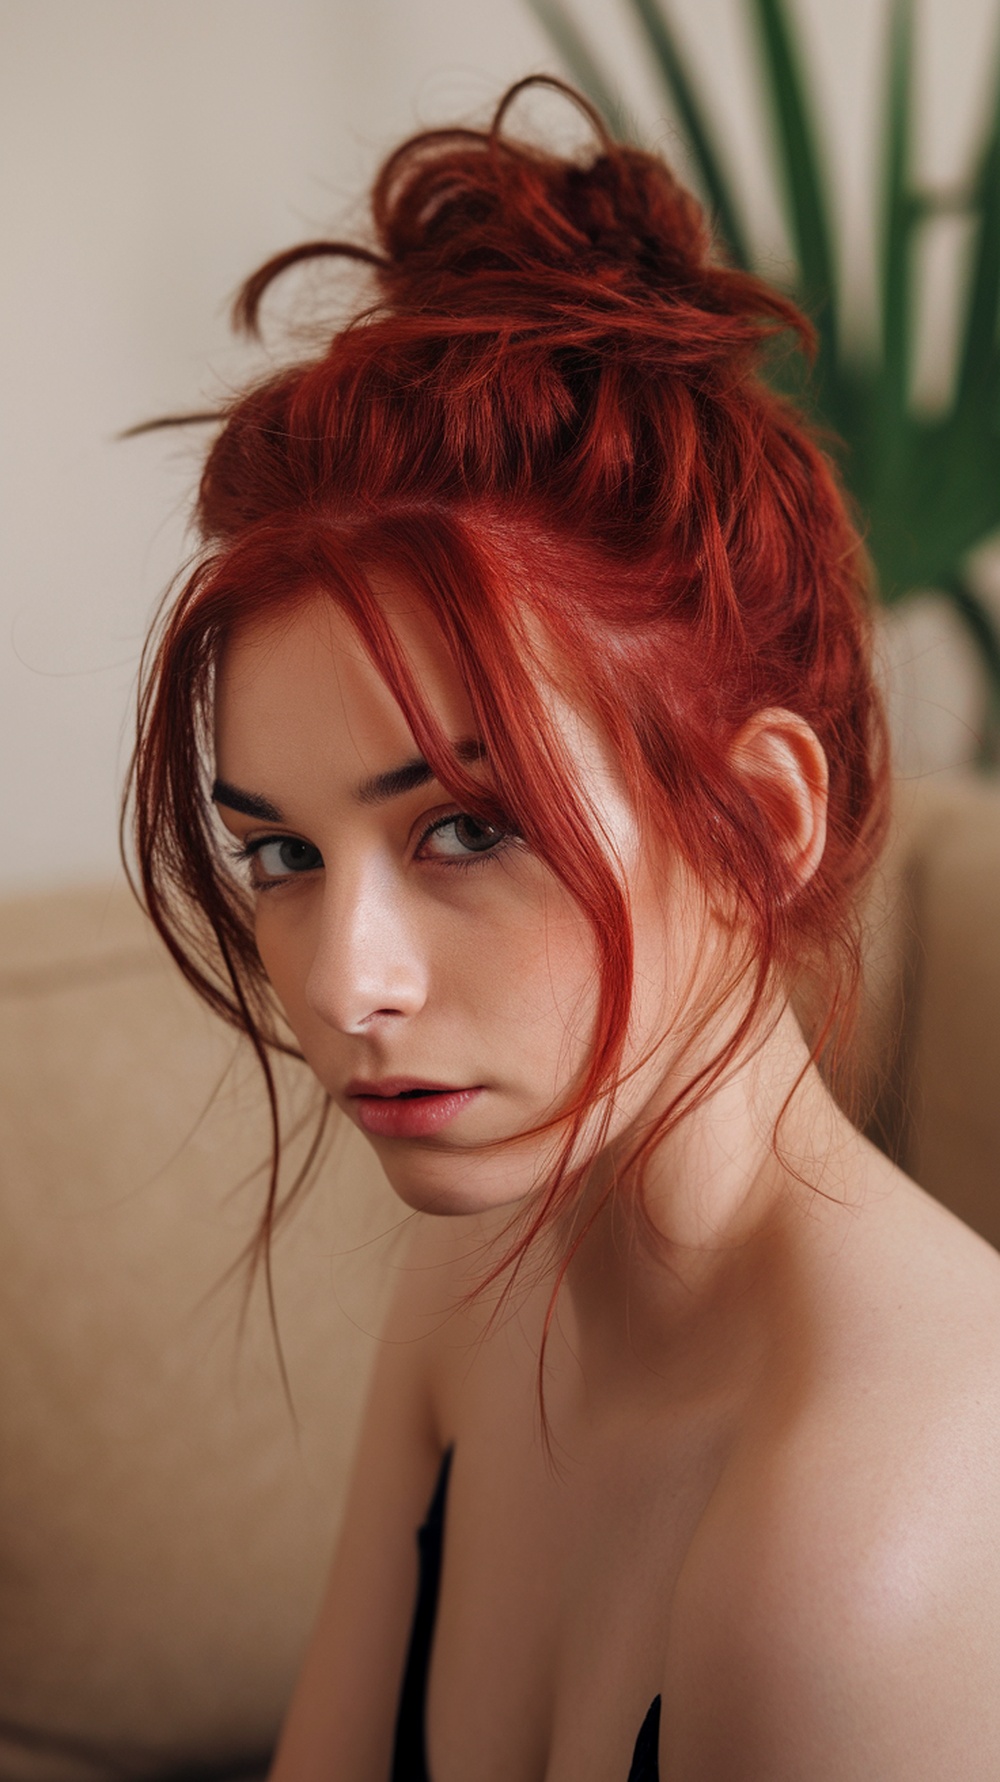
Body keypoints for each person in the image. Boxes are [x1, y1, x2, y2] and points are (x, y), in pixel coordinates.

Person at [126, 77, 1000, 1781]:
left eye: (465, 826)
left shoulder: (883, 1525)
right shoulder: (480, 1280)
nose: (342, 983)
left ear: (760, 816)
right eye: (283, 854)